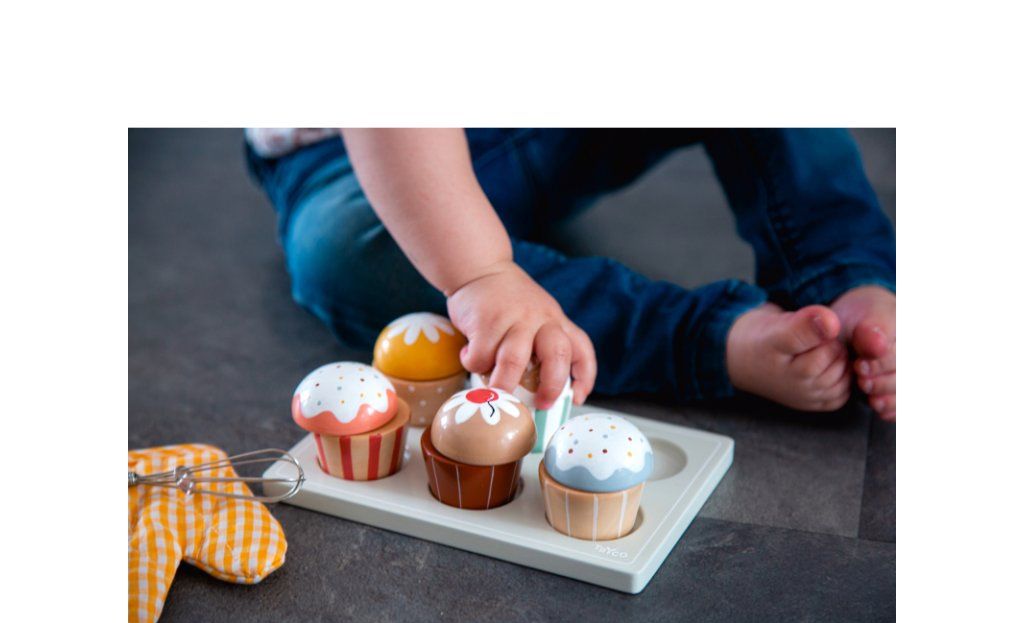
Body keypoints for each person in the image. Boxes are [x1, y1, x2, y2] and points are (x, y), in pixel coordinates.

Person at [246, 129, 896, 421]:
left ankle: (843, 275)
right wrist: (481, 274)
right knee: (346, 255)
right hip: (360, 160)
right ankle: (712, 340)